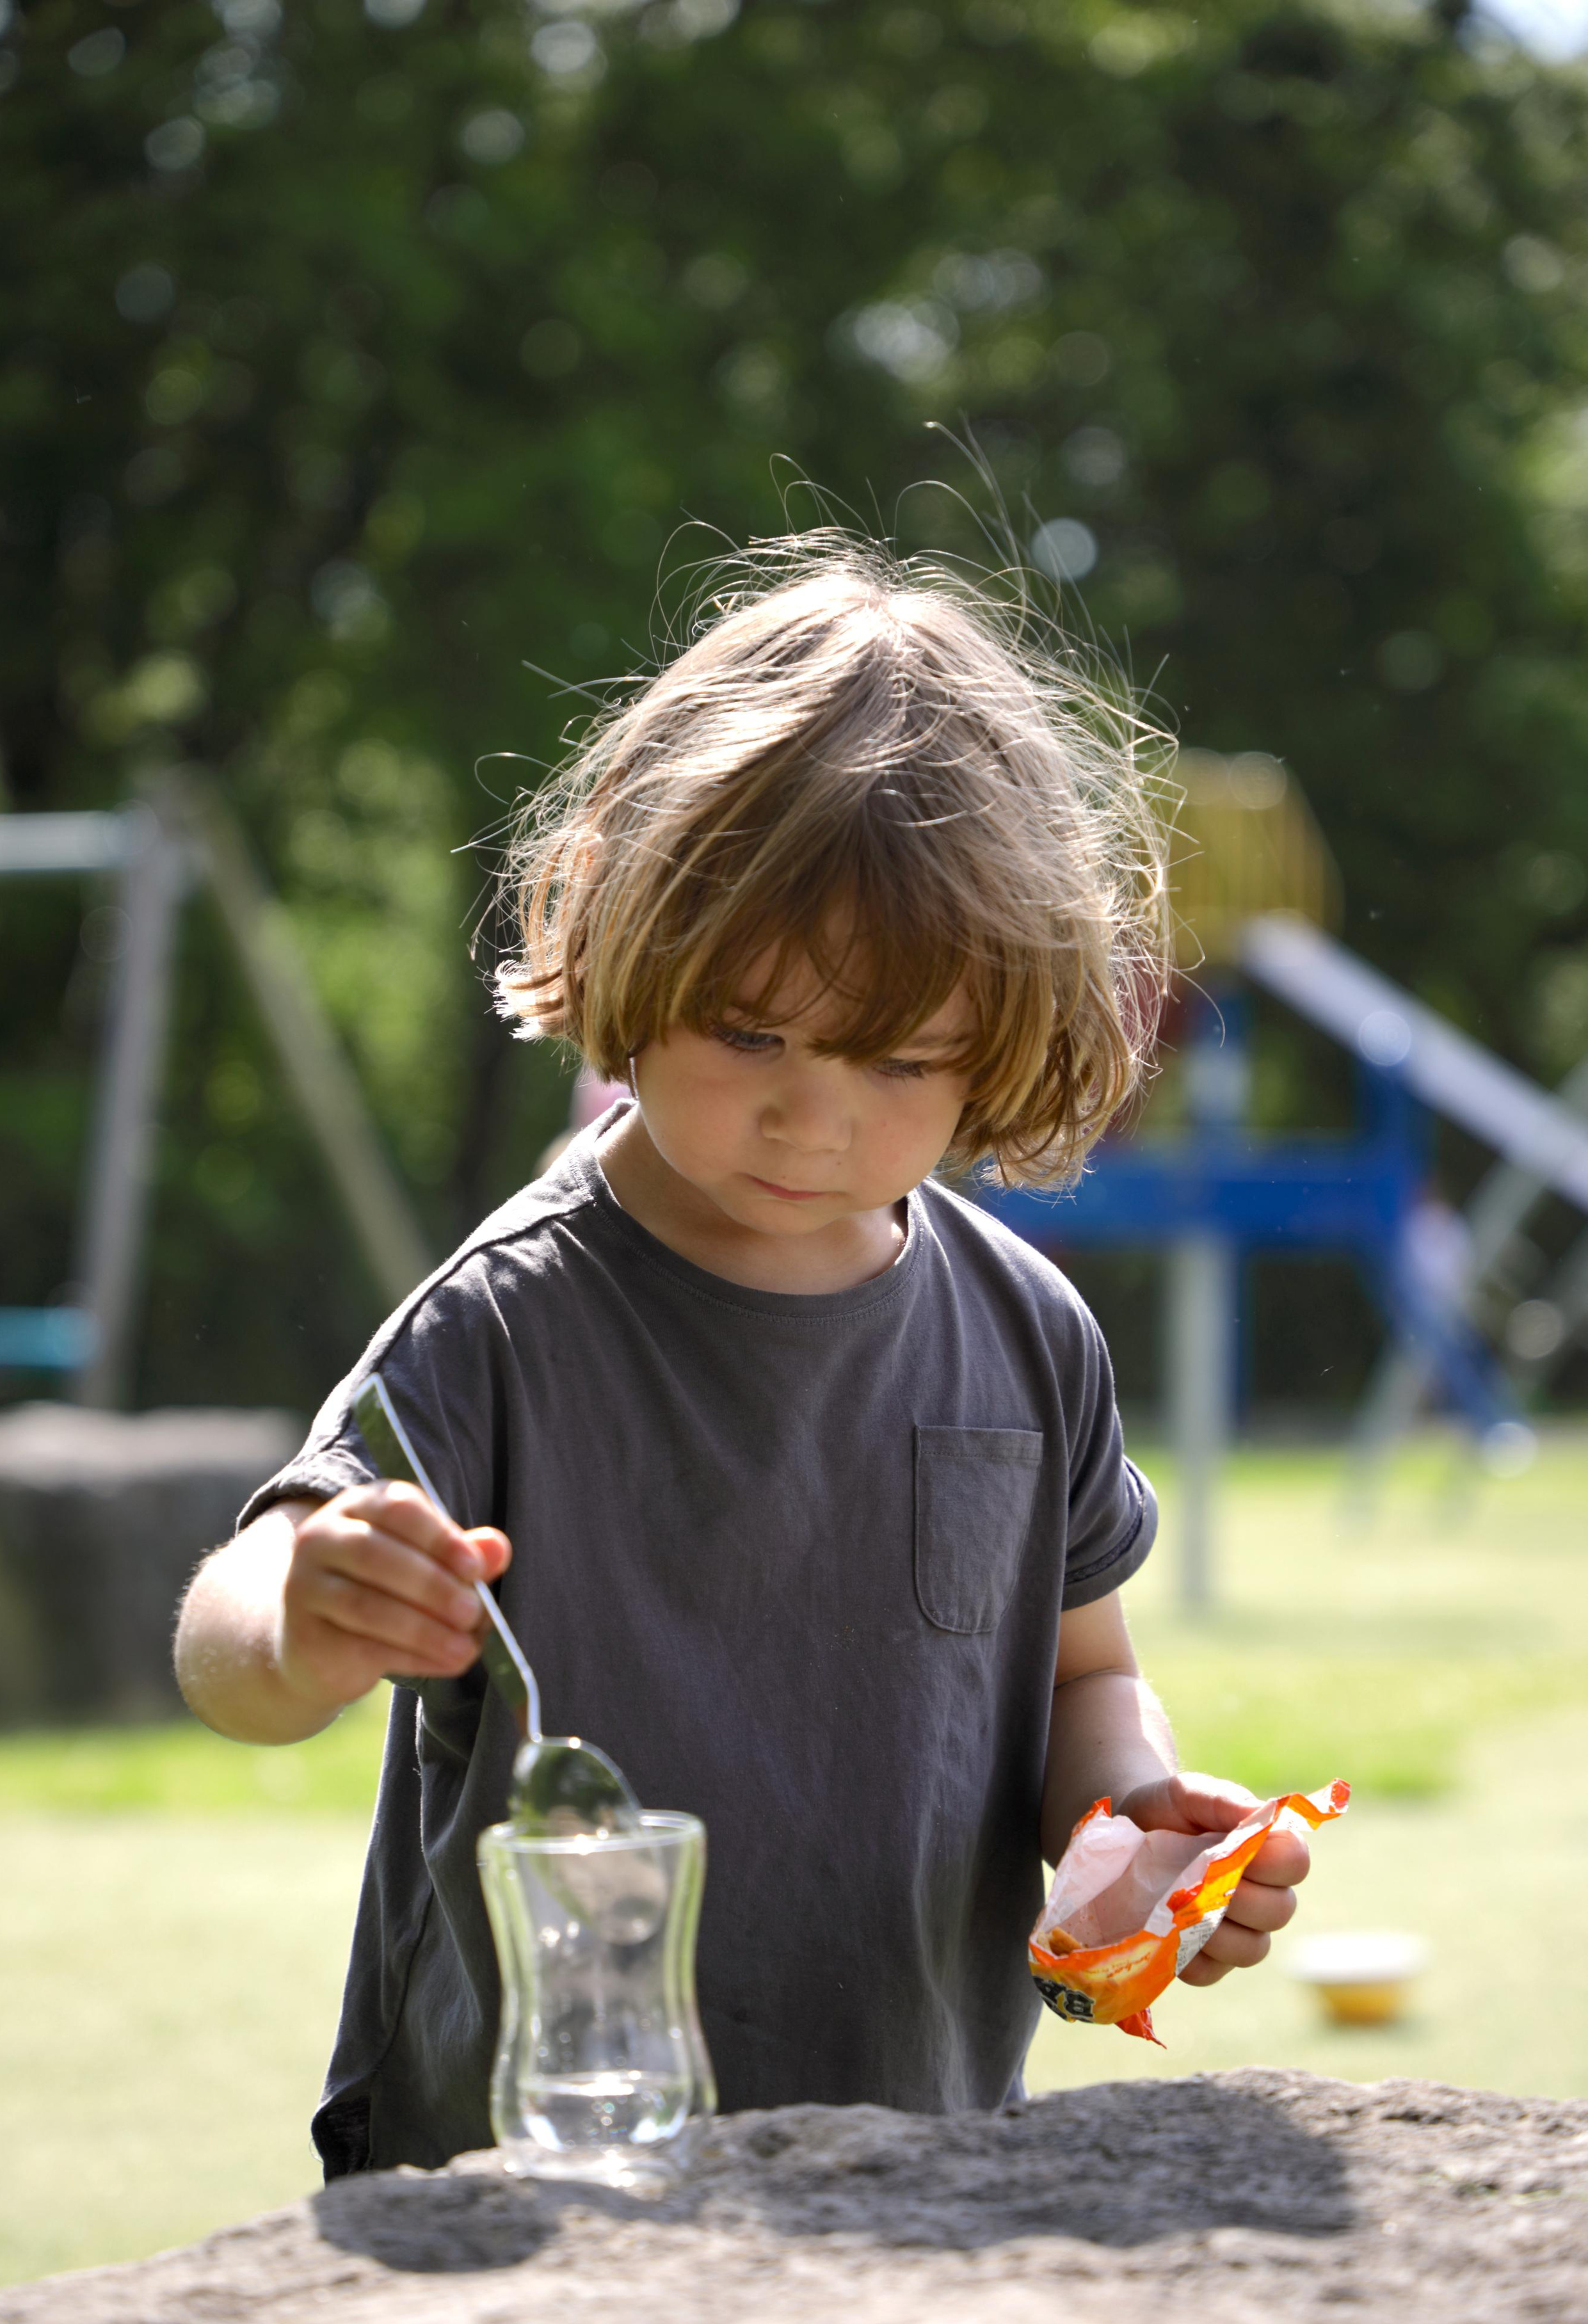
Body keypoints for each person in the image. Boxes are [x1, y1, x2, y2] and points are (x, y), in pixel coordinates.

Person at [175, 543, 1310, 2179]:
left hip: (919, 2151)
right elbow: (233, 1646)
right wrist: (302, 1608)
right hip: (532, 2172)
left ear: (1001, 1044)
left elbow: (1085, 1677)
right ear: (631, 949)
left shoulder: (1026, 1333)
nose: (810, 1114)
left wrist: (1128, 1826)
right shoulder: (508, 1317)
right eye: (747, 1032)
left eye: (901, 1058)